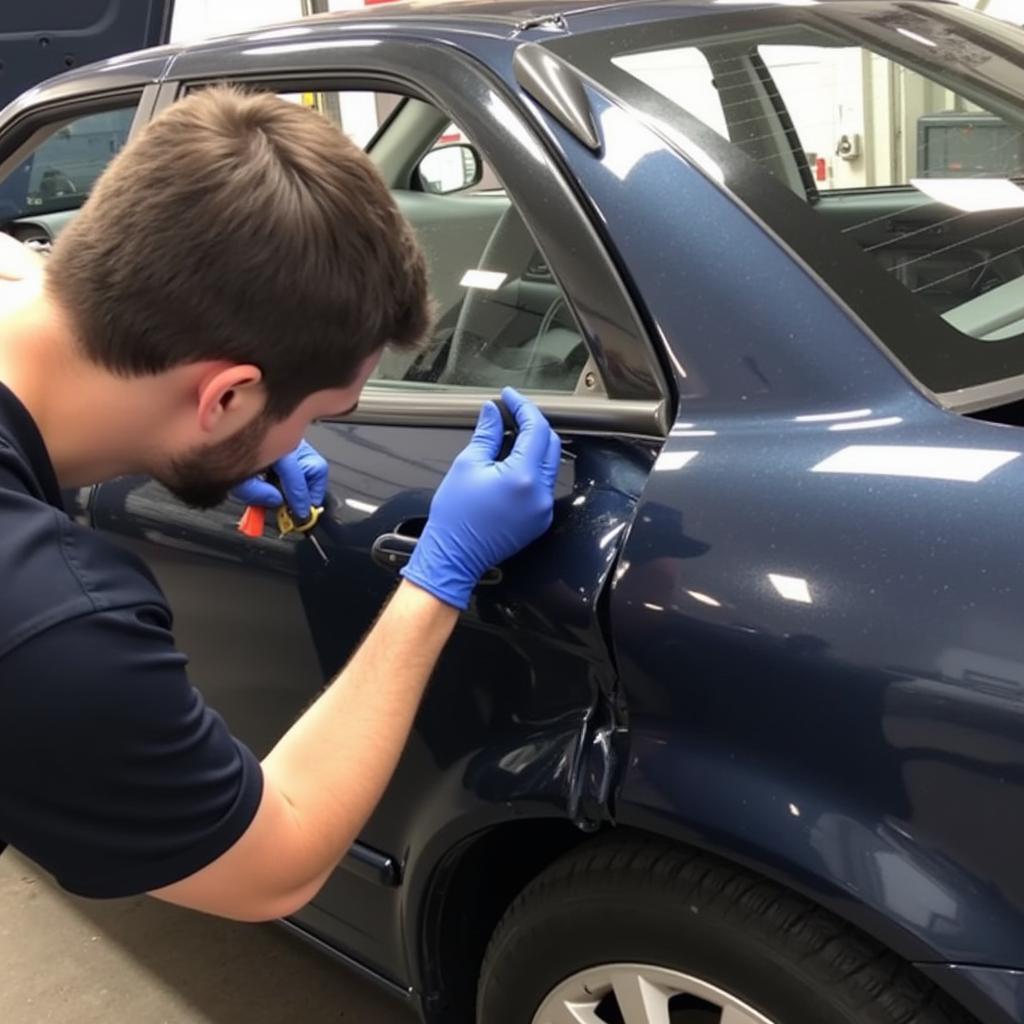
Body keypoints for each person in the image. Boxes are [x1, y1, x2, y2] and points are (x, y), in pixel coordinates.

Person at [0, 86, 560, 921]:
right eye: (316, 415)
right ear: (225, 396)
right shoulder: (50, 624)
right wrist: (439, 576)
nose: (308, 436)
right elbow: (276, 864)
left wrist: (208, 443)